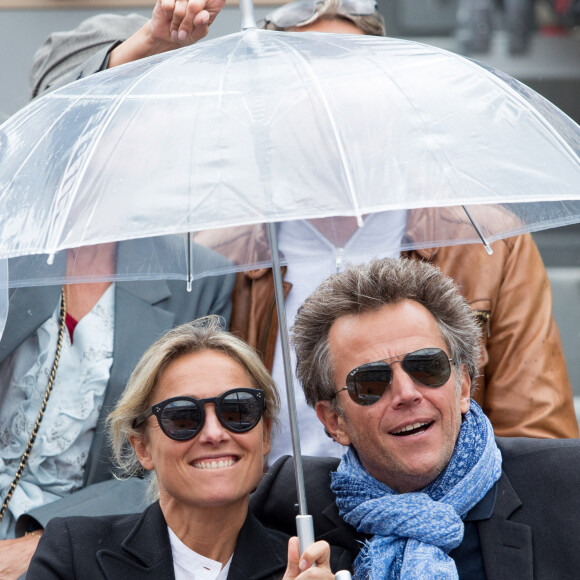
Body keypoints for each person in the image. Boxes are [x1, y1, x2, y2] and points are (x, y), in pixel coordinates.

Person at [26, 0, 578, 462]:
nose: (333, 98)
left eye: (352, 75)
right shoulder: (225, 257)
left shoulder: (486, 242)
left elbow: (538, 437)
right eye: (307, 77)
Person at [0, 2, 234, 577]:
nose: (136, 128)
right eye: (116, 104)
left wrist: (42, 548)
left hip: (81, 553)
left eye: (152, 109)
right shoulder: (8, 245)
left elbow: (176, 457)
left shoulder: (195, 276)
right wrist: (135, 50)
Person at [274, 257, 580, 578]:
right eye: (370, 382)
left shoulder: (569, 487)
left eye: (426, 367)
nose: (406, 393)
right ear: (333, 420)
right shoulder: (289, 504)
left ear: (463, 386)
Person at [27, 317, 338, 579]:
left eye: (237, 412)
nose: (214, 433)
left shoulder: (313, 568)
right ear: (142, 448)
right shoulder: (73, 554)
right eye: (182, 417)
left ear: (265, 434)